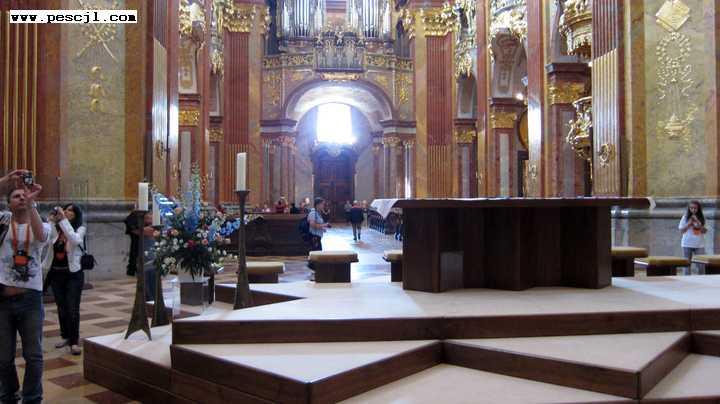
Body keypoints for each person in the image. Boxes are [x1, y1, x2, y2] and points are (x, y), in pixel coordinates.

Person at [0, 171, 49, 404]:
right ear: (8, 203)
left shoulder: (41, 223)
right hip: (3, 299)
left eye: (24, 195)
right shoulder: (3, 222)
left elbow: (41, 237)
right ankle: (8, 395)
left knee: (33, 355)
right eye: (16, 196)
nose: (21, 198)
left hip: (30, 300)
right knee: (3, 357)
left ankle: (32, 398)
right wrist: (6, 181)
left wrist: (32, 205)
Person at [46, 204, 86, 356]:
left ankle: (74, 342)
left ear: (76, 214)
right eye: (65, 210)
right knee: (62, 308)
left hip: (73, 275)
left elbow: (74, 240)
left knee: (72, 308)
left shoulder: (80, 228)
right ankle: (66, 337)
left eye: (70, 210)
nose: (67, 212)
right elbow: (47, 239)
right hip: (56, 274)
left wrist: (62, 220)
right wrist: (51, 221)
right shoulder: (57, 229)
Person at [678, 200, 708, 275]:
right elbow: (681, 230)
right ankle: (687, 280)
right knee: (687, 265)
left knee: (701, 265)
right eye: (691, 208)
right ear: (689, 208)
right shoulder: (685, 217)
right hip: (687, 243)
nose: (693, 210)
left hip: (699, 244)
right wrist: (689, 223)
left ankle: (701, 279)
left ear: (698, 209)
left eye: (695, 208)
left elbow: (704, 231)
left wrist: (698, 222)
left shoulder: (702, 217)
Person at [123, 211, 139, 276]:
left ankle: (134, 268)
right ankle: (133, 268)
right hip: (136, 239)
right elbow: (131, 226)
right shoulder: (133, 216)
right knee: (134, 252)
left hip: (144, 240)